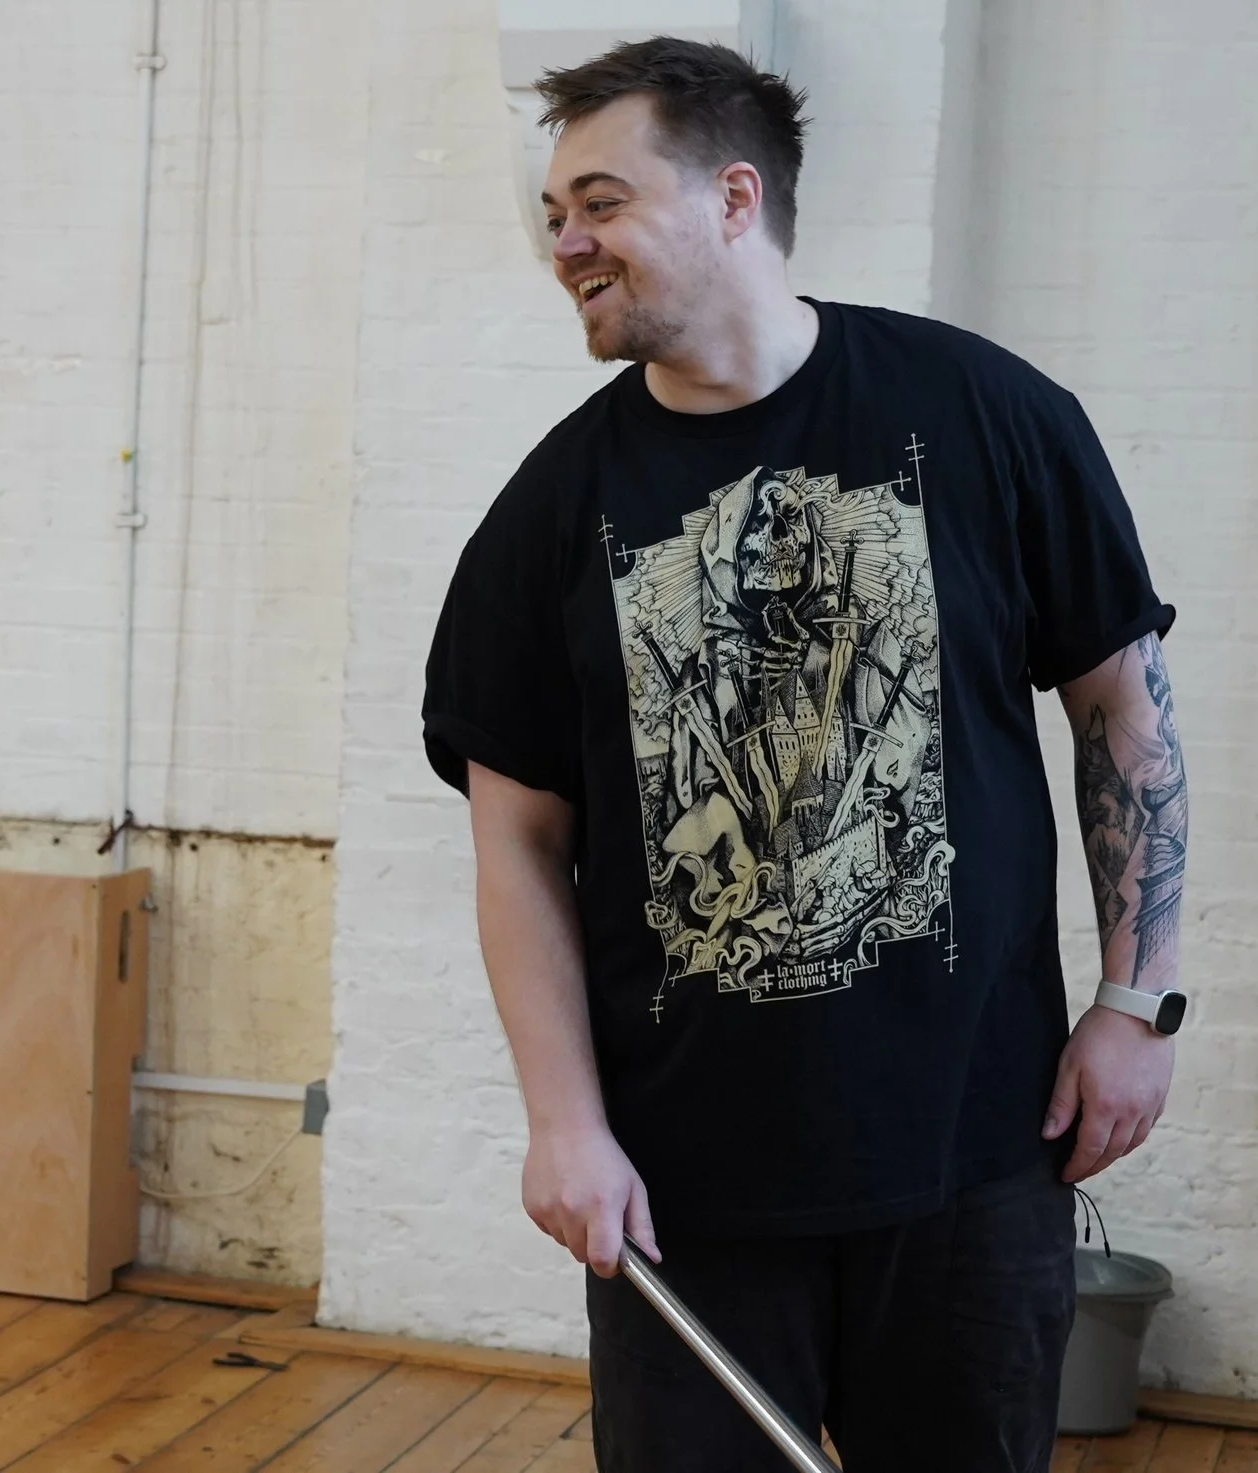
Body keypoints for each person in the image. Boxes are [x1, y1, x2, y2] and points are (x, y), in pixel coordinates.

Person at [422, 38, 1189, 1473]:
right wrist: (563, 1126)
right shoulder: (551, 512)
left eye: (600, 202)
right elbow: (516, 840)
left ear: (732, 198)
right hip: (687, 1192)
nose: (564, 242)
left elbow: (1122, 713)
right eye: (553, 214)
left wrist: (1136, 1002)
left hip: (972, 1158)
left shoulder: (986, 414)